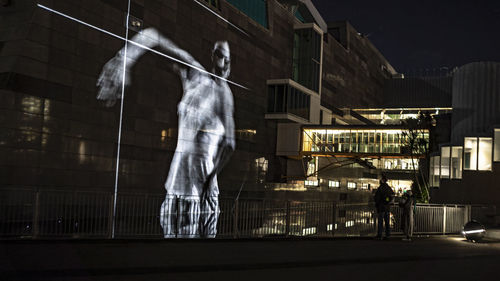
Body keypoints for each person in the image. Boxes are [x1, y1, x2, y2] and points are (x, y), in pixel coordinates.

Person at [97, 28, 235, 238]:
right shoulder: (195, 76)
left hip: (199, 190)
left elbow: (229, 145)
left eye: (226, 58)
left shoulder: (224, 95)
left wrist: (209, 179)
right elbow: (155, 38)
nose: (222, 62)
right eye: (218, 54)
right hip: (178, 186)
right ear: (212, 56)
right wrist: (125, 58)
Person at [374, 175, 395, 239]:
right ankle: (387, 235)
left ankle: (380, 235)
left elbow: (377, 198)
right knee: (387, 222)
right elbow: (392, 196)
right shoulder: (388, 188)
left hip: (381, 207)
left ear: (382, 180)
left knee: (380, 222)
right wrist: (387, 201)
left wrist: (379, 203)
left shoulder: (381, 188)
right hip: (387, 208)